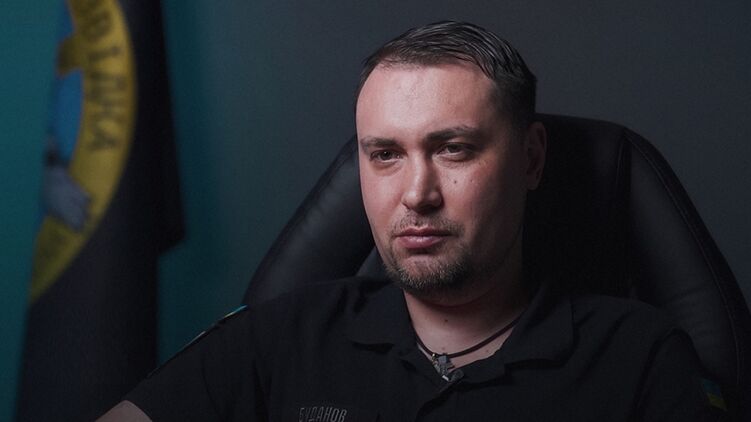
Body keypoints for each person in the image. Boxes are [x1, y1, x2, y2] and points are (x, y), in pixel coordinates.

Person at [99, 21, 726, 421]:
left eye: (453, 149)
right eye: (385, 155)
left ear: (530, 159)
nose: (416, 195)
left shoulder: (638, 359)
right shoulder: (281, 334)